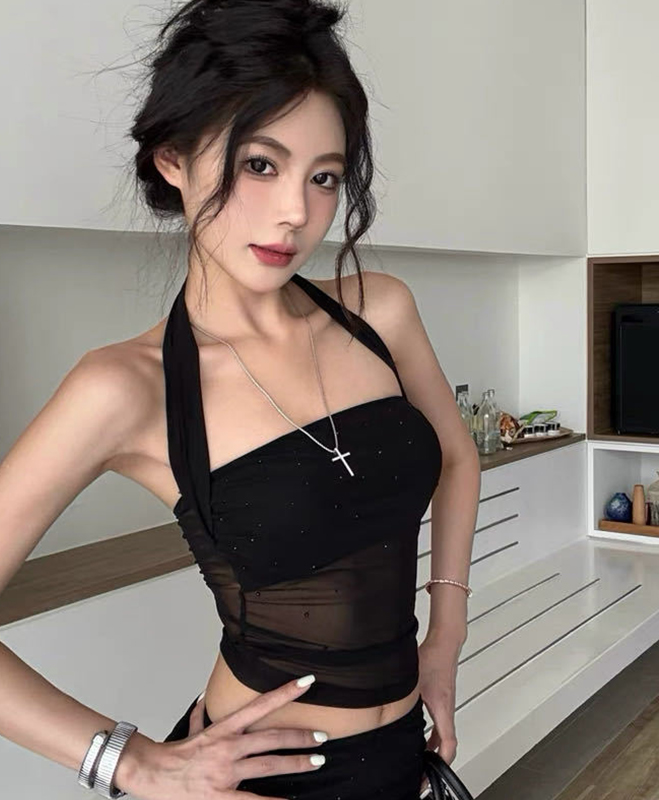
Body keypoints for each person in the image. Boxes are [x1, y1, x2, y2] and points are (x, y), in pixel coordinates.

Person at [0, 0, 482, 798]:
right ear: (173, 160)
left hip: (402, 753)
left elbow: (458, 459)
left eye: (323, 177)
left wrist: (447, 637)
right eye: (260, 165)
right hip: (257, 781)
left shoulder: (379, 312)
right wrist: (129, 762)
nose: (295, 212)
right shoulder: (126, 386)